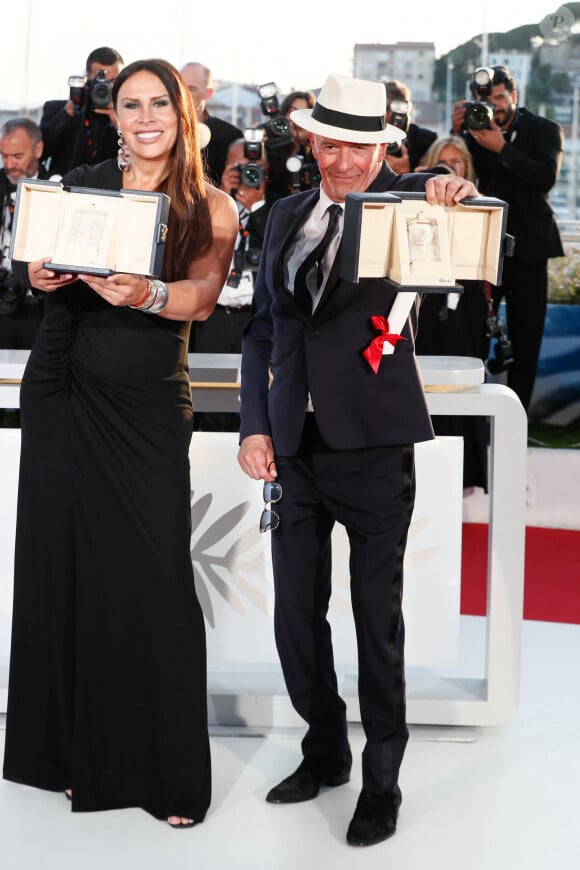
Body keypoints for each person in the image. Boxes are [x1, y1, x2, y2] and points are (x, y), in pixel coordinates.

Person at [237, 73, 478, 848]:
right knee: (293, 621)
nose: (342, 160)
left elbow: (439, 190)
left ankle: (382, 782)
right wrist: (254, 424)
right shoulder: (280, 216)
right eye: (329, 143)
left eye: (359, 145)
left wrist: (444, 181)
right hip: (293, 448)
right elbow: (263, 334)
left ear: (384, 146)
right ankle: (325, 749)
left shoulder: (405, 203)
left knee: (377, 623)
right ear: (311, 141)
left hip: (374, 449)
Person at [2, 58, 238, 828]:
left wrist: (152, 294)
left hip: (143, 396)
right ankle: (71, 754)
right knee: (63, 561)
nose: (144, 117)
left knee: (153, 575)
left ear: (183, 110)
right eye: (130, 104)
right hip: (63, 381)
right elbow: (39, 269)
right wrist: (37, 275)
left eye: (158, 103)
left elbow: (202, 296)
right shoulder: (82, 185)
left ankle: (162, 769)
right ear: (113, 114)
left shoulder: (212, 204)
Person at [451, 65, 564, 411]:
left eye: (500, 98)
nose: (494, 107)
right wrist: (456, 132)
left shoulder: (544, 129)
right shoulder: (471, 129)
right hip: (483, 248)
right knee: (471, 333)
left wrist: (501, 147)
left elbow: (545, 178)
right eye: (486, 99)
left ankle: (519, 418)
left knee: (526, 338)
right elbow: (455, 172)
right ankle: (471, 415)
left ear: (514, 96)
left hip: (530, 250)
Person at [414, 135, 489, 491]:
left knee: (459, 391)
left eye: (456, 164)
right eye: (441, 163)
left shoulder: (480, 208)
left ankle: (461, 478)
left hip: (462, 315)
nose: (449, 172)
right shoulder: (411, 202)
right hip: (420, 313)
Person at [191, 135, 272, 430]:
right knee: (207, 396)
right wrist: (222, 197)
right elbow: (196, 251)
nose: (247, 173)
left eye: (256, 166)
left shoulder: (277, 209)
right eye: (238, 166)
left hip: (255, 319)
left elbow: (278, 256)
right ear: (225, 166)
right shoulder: (207, 203)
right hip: (213, 318)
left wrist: (258, 208)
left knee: (255, 397)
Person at [0, 118, 48, 349]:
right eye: (4, 156)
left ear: (38, 150)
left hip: (41, 308)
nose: (9, 165)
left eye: (17, 156)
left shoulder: (61, 186)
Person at [40, 46, 124, 178]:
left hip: (107, 194)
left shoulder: (127, 118)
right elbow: (40, 152)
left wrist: (119, 123)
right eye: (99, 79)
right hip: (63, 191)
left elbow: (136, 160)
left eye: (112, 81)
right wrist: (67, 112)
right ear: (86, 79)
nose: (105, 87)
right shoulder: (57, 109)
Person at [180, 62, 242, 185]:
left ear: (208, 93)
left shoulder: (230, 136)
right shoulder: (161, 131)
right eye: (180, 87)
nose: (182, 94)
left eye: (191, 89)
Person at [384, 79, 437, 173]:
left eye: (401, 109)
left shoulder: (426, 141)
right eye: (385, 108)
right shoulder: (366, 138)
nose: (394, 116)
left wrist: (407, 173)